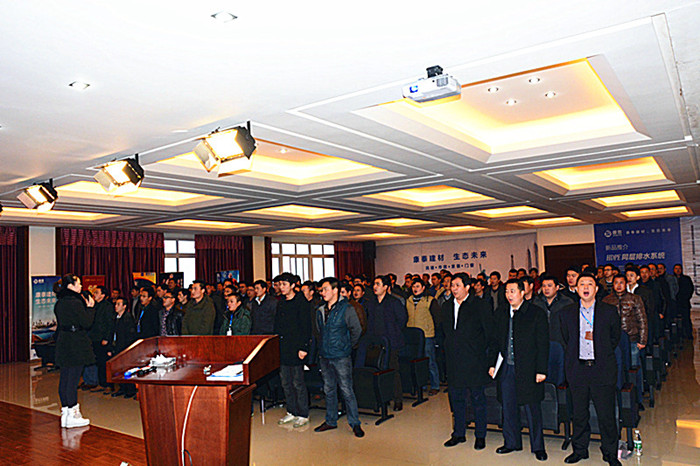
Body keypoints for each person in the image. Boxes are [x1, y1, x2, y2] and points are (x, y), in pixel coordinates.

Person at [560, 273, 621, 466]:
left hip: (602, 369)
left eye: (589, 284)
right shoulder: (566, 312)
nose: (585, 287)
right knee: (579, 414)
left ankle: (610, 452)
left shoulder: (609, 311)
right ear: (576, 289)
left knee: (606, 415)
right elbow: (566, 339)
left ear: (596, 288)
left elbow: (614, 338)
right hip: (577, 369)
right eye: (582, 284)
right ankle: (580, 450)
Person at [490, 279, 549, 461]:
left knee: (532, 408)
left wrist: (541, 370)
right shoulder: (500, 313)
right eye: (507, 291)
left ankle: (538, 446)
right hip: (506, 367)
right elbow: (494, 341)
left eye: (513, 291)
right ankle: (511, 442)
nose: (509, 295)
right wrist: (492, 364)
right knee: (508, 407)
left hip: (529, 368)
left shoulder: (535, 313)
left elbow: (542, 344)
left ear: (522, 292)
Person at [440, 272, 492, 450]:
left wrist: (482, 355)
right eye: (452, 285)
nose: (454, 289)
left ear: (467, 287)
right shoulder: (446, 306)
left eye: (457, 285)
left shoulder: (479, 305)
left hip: (474, 361)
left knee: (478, 400)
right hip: (454, 361)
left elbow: (488, 333)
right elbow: (445, 332)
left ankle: (480, 435)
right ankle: (459, 433)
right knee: (457, 399)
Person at [313, 277, 364, 438]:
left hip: (341, 356)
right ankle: (331, 420)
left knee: (346, 390)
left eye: (325, 289)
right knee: (329, 389)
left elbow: (357, 330)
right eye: (321, 290)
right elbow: (318, 332)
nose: (322, 292)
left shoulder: (347, 308)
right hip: (325, 355)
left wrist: (346, 346)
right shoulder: (320, 310)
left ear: (335, 290)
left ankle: (355, 423)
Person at [54, 274, 94, 428]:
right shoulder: (75, 303)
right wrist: (90, 308)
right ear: (70, 286)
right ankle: (73, 414)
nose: (81, 286)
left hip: (64, 340)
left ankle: (66, 413)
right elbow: (86, 322)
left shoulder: (60, 302)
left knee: (65, 377)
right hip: (75, 342)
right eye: (78, 283)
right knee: (73, 379)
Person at [603, 274, 647, 409]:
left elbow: (642, 320)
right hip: (613, 342)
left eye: (621, 282)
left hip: (632, 340)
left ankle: (637, 399)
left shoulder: (635, 299)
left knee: (633, 370)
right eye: (616, 283)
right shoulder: (606, 300)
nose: (618, 285)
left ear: (626, 284)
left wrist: (642, 340)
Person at [274, 273, 313, 428]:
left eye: (284, 284)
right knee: (286, 382)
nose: (281, 287)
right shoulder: (281, 303)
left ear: (292, 285)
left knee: (298, 382)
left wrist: (304, 347)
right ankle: (291, 411)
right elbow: (277, 325)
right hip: (283, 347)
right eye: (280, 284)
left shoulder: (301, 302)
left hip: (297, 348)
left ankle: (303, 414)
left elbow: (306, 327)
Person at [366, 275, 408, 411]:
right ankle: (383, 398)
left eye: (378, 284)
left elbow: (402, 319)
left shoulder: (394, 302)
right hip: (376, 343)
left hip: (391, 342)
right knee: (379, 371)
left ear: (385, 287)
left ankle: (397, 399)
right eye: (374, 284)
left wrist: (393, 332)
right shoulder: (371, 302)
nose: (375, 287)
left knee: (393, 370)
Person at [406, 279, 441, 395]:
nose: (415, 289)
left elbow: (437, 318)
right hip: (413, 337)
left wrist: (435, 333)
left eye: (417, 286)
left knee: (430, 361)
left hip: (427, 335)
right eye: (413, 287)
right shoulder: (408, 300)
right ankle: (422, 385)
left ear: (423, 288)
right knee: (417, 362)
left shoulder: (430, 300)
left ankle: (435, 385)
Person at [108, 297, 137, 399]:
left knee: (126, 369)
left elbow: (130, 335)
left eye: (118, 304)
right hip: (116, 346)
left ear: (124, 306)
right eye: (116, 304)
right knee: (118, 369)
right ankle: (121, 388)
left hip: (124, 347)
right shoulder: (115, 317)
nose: (116, 306)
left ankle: (130, 390)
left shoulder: (128, 318)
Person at [88, 286, 115, 391]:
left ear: (103, 295)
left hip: (103, 338)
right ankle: (101, 383)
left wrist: (106, 338)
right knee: (99, 362)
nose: (94, 294)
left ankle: (109, 385)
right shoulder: (95, 306)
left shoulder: (107, 306)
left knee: (105, 362)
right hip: (95, 337)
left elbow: (110, 324)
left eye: (97, 292)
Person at [673, 264, 694, 339]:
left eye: (679, 268)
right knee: (676, 321)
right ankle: (679, 336)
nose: (678, 270)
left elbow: (690, 289)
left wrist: (686, 298)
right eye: (676, 268)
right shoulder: (671, 279)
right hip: (675, 303)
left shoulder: (686, 279)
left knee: (686, 319)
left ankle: (688, 334)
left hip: (684, 302)